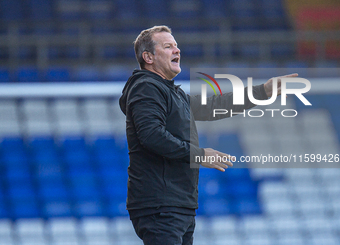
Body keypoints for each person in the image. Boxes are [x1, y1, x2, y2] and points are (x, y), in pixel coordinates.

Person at [119, 25, 297, 245]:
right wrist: (200, 155)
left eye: (176, 45)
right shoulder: (146, 87)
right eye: (168, 46)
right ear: (148, 57)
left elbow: (214, 105)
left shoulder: (173, 93)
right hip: (161, 206)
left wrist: (263, 92)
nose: (177, 50)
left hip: (178, 205)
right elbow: (152, 136)